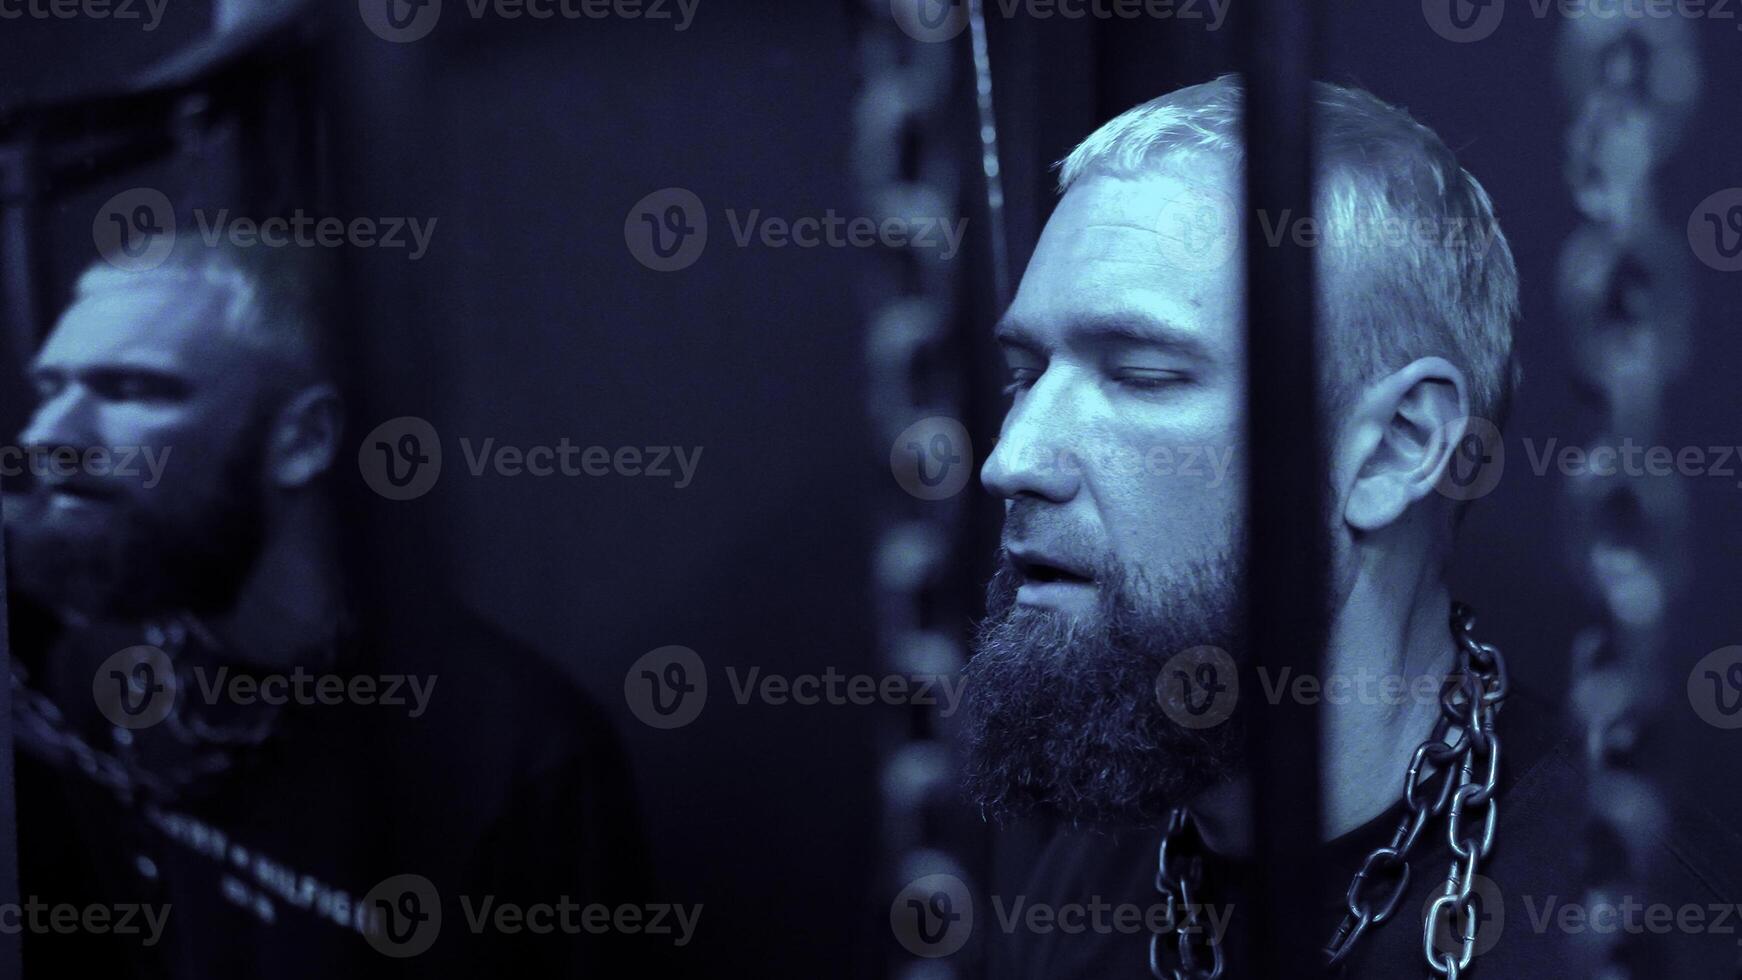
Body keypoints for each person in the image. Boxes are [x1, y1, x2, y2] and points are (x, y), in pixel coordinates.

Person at [958, 75, 1739, 977]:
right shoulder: (1090, 873)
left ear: (1394, 451)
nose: (1012, 458)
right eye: (1028, 373)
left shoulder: (1619, 936)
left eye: (1139, 373)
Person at [6, 234, 650, 978]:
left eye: (131, 389)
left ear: (303, 439)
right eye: (51, 389)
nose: (46, 436)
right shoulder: (95, 673)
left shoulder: (516, 753)